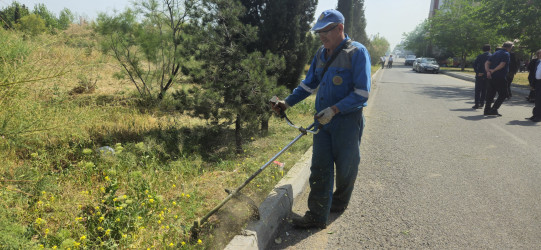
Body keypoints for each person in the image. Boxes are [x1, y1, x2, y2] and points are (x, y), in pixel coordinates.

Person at [272, 9, 370, 229]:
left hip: (346, 122)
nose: (322, 36)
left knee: (346, 168)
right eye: (319, 32)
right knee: (320, 167)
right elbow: (309, 84)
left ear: (340, 28)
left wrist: (335, 110)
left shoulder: (357, 52)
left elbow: (362, 93)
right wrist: (287, 102)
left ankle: (340, 201)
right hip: (322, 123)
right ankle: (317, 216)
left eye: (326, 31)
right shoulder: (320, 53)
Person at [484, 42, 513, 116]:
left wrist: (488, 71)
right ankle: (494, 109)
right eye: (511, 47)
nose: (511, 49)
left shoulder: (495, 53)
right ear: (508, 47)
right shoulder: (506, 54)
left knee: (491, 93)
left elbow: (487, 63)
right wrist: (493, 70)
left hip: (491, 77)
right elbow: (502, 64)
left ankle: (487, 110)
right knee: (503, 94)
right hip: (500, 76)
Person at [472, 44, 491, 109]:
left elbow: (474, 64)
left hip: (480, 75)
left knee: (478, 90)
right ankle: (482, 103)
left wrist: (477, 72)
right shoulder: (492, 56)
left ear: (483, 49)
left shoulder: (480, 56)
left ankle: (476, 104)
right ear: (490, 49)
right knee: (484, 90)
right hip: (488, 75)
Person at [528, 49, 541, 122]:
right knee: (537, 99)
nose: (539, 55)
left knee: (539, 100)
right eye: (538, 54)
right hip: (538, 82)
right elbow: (535, 74)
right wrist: (533, 85)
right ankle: (535, 115)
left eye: (540, 54)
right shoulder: (538, 62)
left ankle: (538, 116)